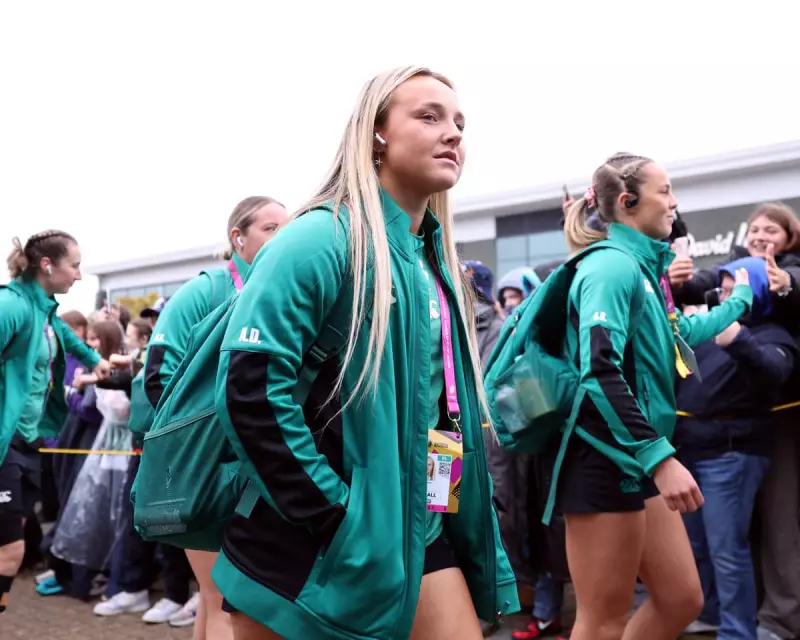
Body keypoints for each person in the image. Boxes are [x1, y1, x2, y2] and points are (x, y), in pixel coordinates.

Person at [211, 66, 519, 640]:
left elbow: (440, 410)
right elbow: (251, 388)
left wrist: (444, 506)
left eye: (458, 122)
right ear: (376, 133)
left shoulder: (436, 264)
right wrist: (335, 516)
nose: (452, 133)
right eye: (428, 116)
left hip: (414, 532)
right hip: (306, 547)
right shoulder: (318, 238)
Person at [557, 153, 754, 640]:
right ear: (628, 202)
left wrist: (738, 303)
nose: (674, 202)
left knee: (682, 599)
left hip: (638, 458)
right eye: (664, 191)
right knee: (602, 622)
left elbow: (675, 333)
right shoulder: (610, 268)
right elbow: (598, 371)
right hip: (606, 459)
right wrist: (661, 459)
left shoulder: (642, 270)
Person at [140, 195, 287, 638]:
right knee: (225, 597)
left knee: (213, 593)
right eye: (271, 228)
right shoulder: (205, 289)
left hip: (244, 466)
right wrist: (217, 439)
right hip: (200, 466)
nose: (284, 237)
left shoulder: (277, 287)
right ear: (237, 238)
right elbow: (157, 378)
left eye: (288, 227)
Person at [674, 258, 799, 639]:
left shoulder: (775, 334)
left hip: (731, 455)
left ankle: (737, 631)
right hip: (691, 453)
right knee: (696, 546)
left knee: (727, 551)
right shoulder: (712, 333)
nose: (726, 298)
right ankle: (710, 613)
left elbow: (775, 372)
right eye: (724, 290)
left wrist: (738, 338)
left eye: (736, 290)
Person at [0, 231, 110, 613]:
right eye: (75, 266)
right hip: (7, 441)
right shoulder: (10, 306)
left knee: (11, 552)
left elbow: (66, 337)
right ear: (47, 265)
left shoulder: (42, 309)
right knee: (10, 551)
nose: (79, 275)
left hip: (27, 440)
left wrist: (98, 361)